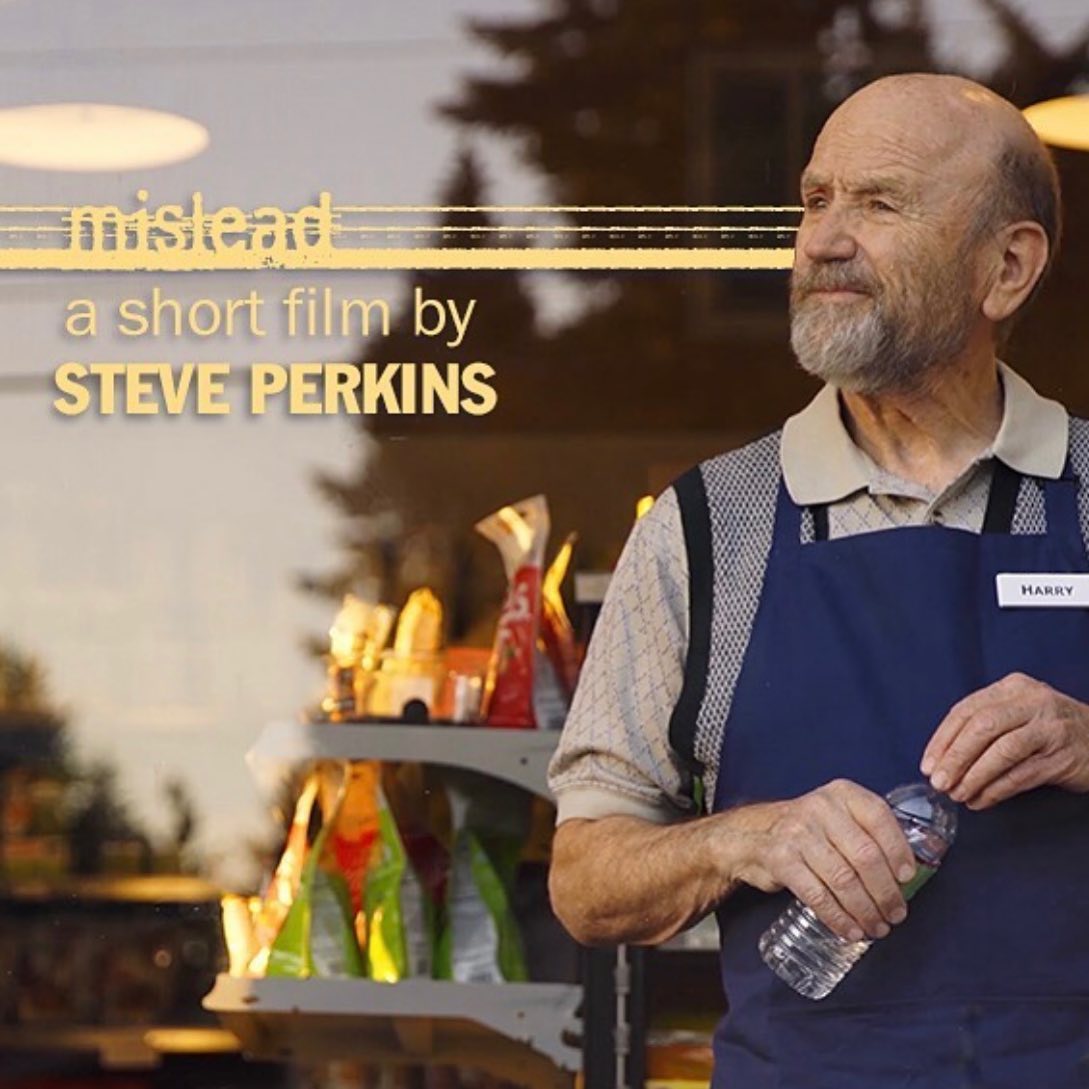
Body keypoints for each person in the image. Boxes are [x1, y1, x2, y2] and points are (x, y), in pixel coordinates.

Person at [548, 72, 1089, 1088]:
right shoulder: (708, 532)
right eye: (814, 200)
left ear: (1007, 267)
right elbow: (586, 882)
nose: (822, 240)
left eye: (880, 203)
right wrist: (748, 839)